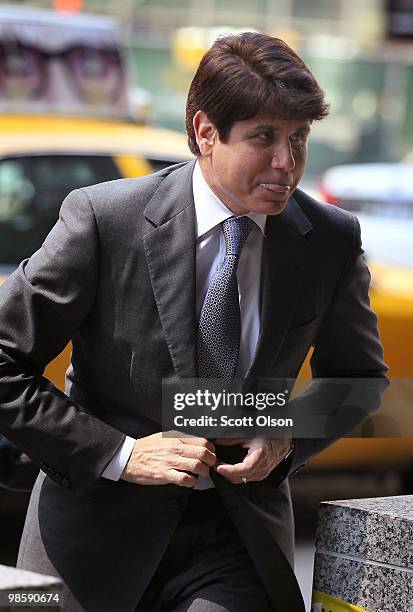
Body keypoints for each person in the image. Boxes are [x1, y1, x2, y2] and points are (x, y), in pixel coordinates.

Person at [0, 32, 387, 612]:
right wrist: (122, 454)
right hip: (91, 532)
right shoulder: (106, 220)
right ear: (206, 132)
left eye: (299, 139)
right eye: (265, 138)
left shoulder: (329, 240)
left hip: (236, 538)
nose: (288, 162)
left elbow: (358, 378)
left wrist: (287, 434)